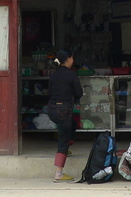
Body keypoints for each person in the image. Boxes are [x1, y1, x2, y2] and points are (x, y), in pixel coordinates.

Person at [47, 49, 83, 182]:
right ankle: (59, 173)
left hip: (51, 109)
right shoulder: (72, 74)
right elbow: (79, 93)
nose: (73, 60)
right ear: (68, 59)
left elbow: (49, 92)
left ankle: (67, 147)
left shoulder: (54, 74)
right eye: (72, 58)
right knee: (63, 141)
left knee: (72, 124)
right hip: (63, 110)